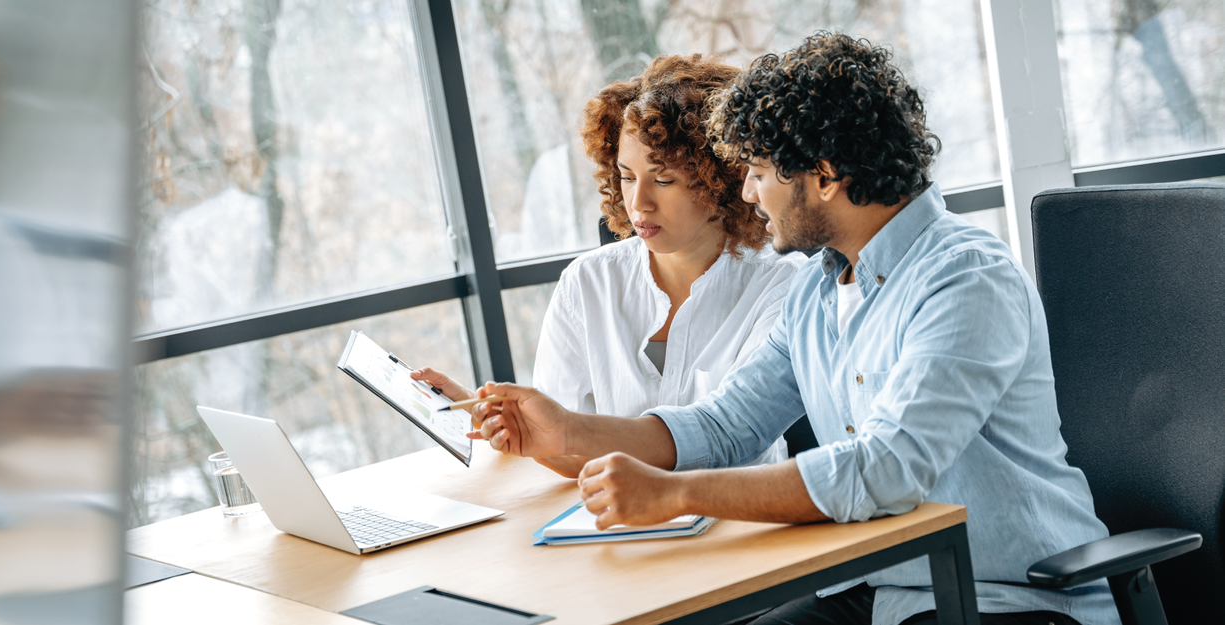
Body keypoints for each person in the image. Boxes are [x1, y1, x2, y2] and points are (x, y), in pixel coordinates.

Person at [467, 33, 1120, 625]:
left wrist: (675, 493)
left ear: (826, 175)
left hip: (1006, 594)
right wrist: (568, 431)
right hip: (872, 589)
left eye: (758, 171)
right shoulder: (816, 286)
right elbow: (726, 425)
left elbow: (884, 469)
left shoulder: (967, 279)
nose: (747, 194)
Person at [414, 54, 805, 478]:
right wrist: (500, 420)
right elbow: (564, 446)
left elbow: (728, 435)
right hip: (617, 522)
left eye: (664, 179)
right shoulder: (588, 283)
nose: (639, 203)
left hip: (741, 523)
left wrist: (569, 433)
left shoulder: (783, 284)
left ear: (724, 177)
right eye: (627, 176)